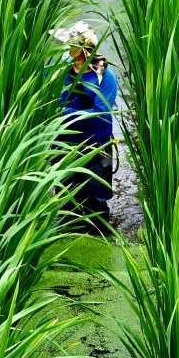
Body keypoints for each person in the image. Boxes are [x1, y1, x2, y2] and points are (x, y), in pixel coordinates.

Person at [52, 21, 119, 231]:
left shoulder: (105, 77)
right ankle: (67, 234)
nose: (66, 48)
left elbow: (100, 113)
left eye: (69, 45)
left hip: (94, 145)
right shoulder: (61, 71)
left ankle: (99, 234)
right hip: (65, 143)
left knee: (95, 198)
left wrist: (64, 114)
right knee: (65, 195)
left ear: (82, 50)